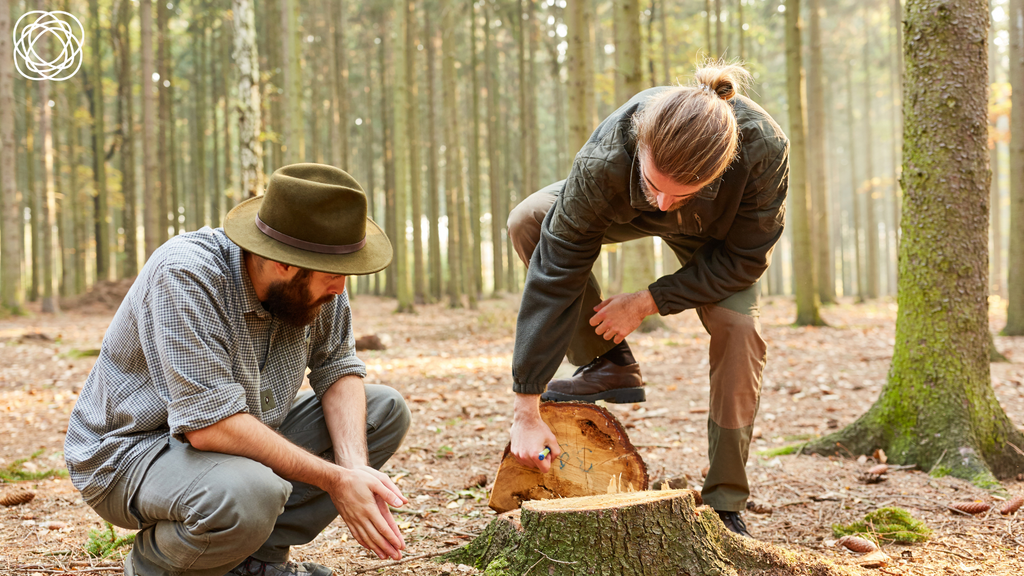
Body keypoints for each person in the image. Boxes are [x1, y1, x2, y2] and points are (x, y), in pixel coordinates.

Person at [65, 164, 411, 576]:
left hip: (234, 446)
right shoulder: (188, 274)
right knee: (250, 492)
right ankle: (155, 567)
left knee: (383, 410)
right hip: (130, 452)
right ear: (285, 263)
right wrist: (335, 480)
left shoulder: (319, 281)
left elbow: (337, 367)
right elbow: (210, 427)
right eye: (334, 276)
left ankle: (253, 562)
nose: (341, 289)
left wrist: (353, 466)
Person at [506, 63, 788, 538]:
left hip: (714, 243)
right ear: (640, 147)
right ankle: (606, 362)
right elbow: (556, 271)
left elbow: (744, 261)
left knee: (740, 331)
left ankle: (725, 500)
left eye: (679, 192)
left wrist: (649, 300)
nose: (662, 204)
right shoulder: (607, 154)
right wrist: (525, 409)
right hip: (622, 206)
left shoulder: (763, 150)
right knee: (529, 219)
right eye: (654, 183)